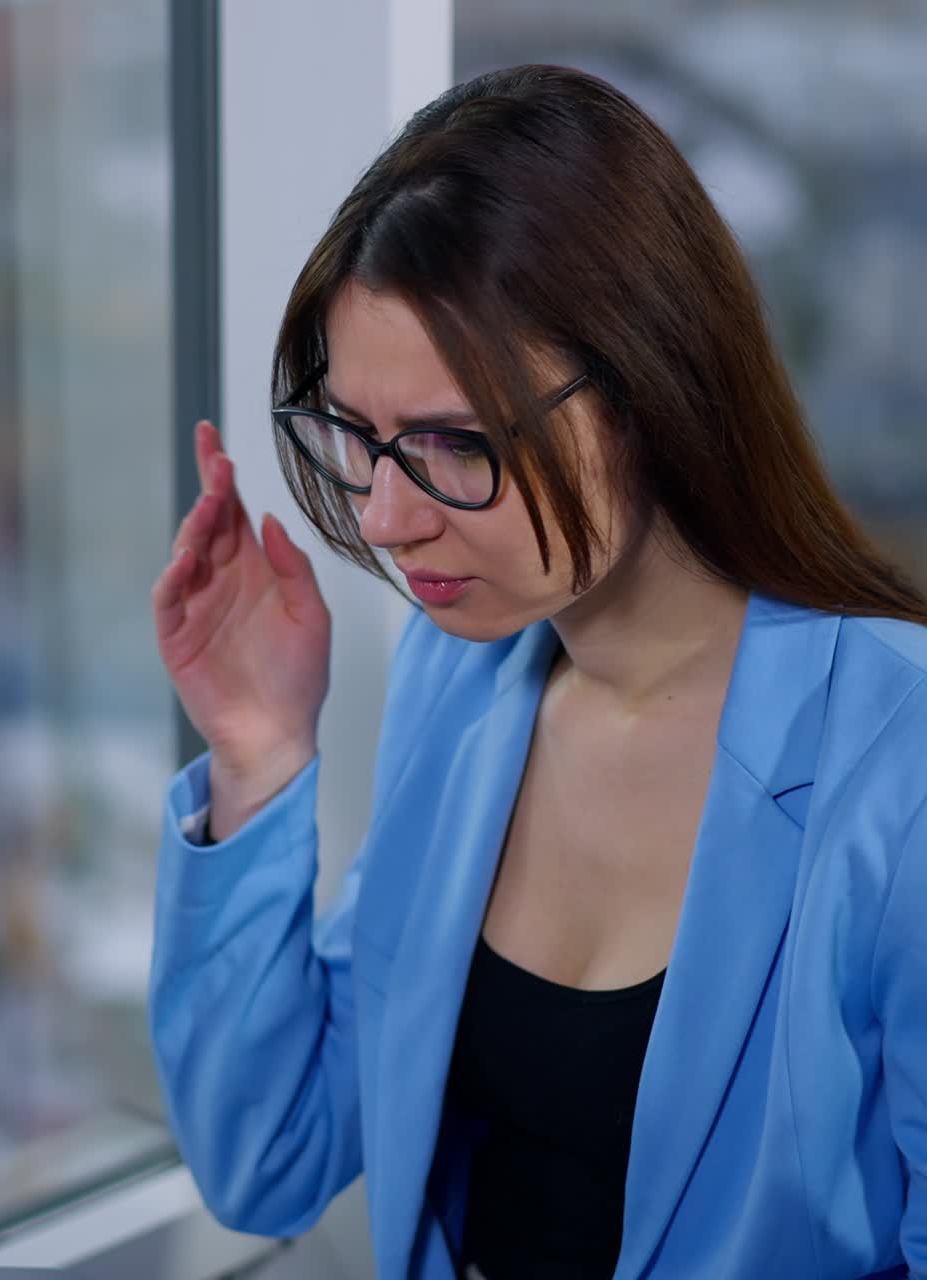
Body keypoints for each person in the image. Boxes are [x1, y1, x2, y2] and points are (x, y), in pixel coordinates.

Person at [148, 65, 927, 1280]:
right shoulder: (460, 688)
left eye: (456, 443)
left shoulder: (900, 762)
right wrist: (255, 752)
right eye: (356, 438)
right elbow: (271, 1156)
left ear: (650, 389)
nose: (389, 518)